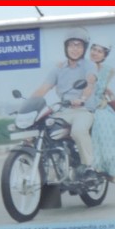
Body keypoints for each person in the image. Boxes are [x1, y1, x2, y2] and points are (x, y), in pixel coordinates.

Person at [24, 26, 99, 173]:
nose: (75, 49)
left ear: (84, 48)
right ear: (66, 48)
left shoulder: (89, 65)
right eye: (71, 45)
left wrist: (82, 98)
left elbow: (89, 83)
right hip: (62, 111)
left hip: (83, 111)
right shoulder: (58, 69)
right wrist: (28, 104)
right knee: (40, 129)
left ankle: (90, 166)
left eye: (79, 46)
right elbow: (43, 88)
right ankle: (45, 164)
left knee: (78, 131)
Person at [82, 38, 115, 184]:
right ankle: (96, 164)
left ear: (104, 55)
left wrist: (107, 90)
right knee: (101, 124)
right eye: (94, 49)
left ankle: (112, 166)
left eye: (100, 51)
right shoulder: (83, 66)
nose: (95, 53)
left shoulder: (107, 71)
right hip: (83, 104)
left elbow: (100, 85)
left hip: (100, 104)